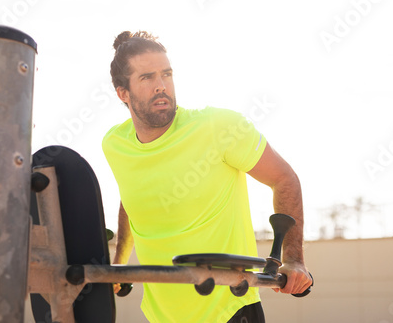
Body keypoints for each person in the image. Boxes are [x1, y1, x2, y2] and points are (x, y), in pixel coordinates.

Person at [102, 30, 312, 323]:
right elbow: (131, 197)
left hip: (229, 309)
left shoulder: (220, 128)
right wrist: (119, 263)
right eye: (147, 78)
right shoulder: (115, 144)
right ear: (123, 93)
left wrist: (294, 260)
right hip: (162, 315)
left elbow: (284, 178)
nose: (161, 86)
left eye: (167, 74)